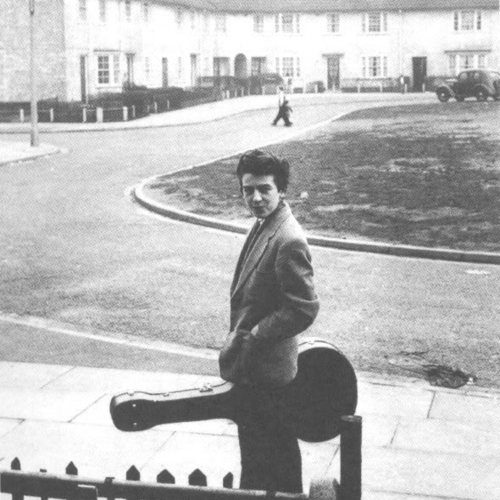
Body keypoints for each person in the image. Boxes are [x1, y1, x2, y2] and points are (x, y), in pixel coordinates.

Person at [219, 150, 320, 493]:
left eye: (264, 189)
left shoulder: (288, 239)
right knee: (260, 457)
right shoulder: (265, 224)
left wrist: (258, 334)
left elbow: (304, 307)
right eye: (248, 190)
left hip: (269, 374)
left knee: (273, 460)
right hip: (256, 369)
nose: (256, 198)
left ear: (282, 190)